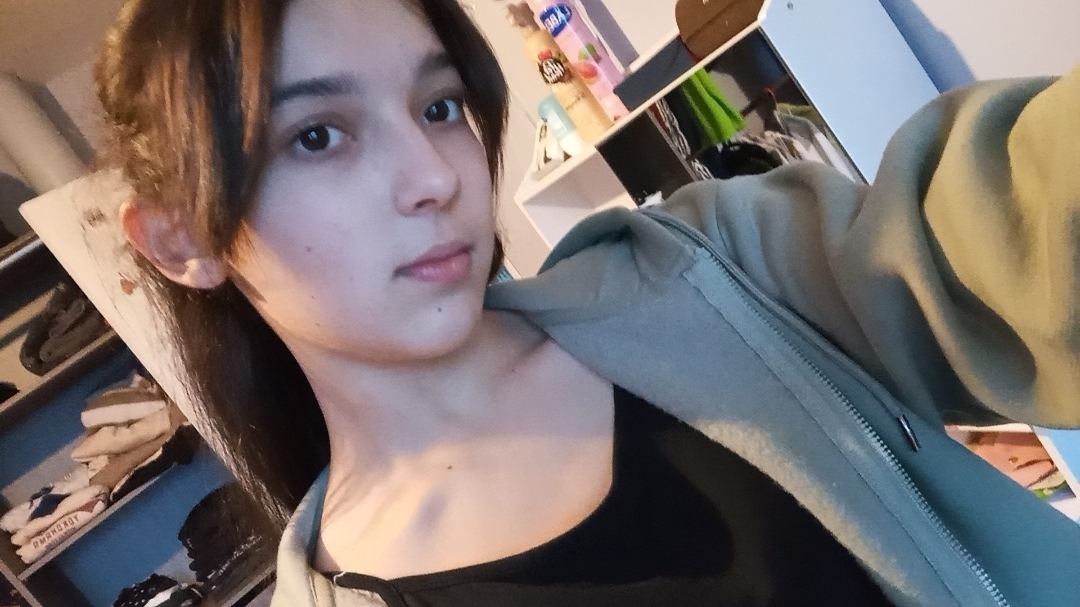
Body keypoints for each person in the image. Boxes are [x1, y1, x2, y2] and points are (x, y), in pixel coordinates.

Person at [92, 0, 1080, 605]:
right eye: (317, 135)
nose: (435, 176)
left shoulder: (706, 273)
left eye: (439, 106)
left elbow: (1004, 222)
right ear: (181, 240)